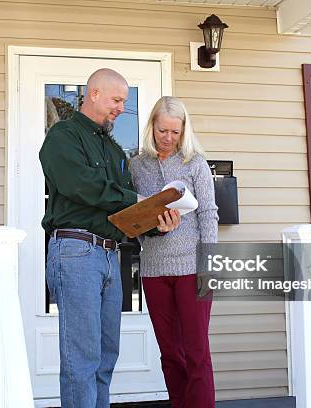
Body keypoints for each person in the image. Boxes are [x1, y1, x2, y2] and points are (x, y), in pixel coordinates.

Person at [39, 69, 180, 408]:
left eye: (124, 102)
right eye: (117, 100)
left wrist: (155, 221)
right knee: (82, 355)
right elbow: (81, 185)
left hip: (109, 255)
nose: (121, 108)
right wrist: (133, 201)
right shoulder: (64, 136)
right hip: (75, 251)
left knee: (105, 354)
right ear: (94, 93)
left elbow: (124, 211)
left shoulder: (116, 152)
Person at [129, 96, 219, 408]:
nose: (168, 138)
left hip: (193, 268)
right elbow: (134, 217)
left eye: (175, 132)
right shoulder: (136, 166)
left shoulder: (195, 164)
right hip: (154, 269)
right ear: (151, 127)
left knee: (196, 353)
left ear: (184, 131)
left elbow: (208, 213)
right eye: (162, 130)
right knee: (170, 353)